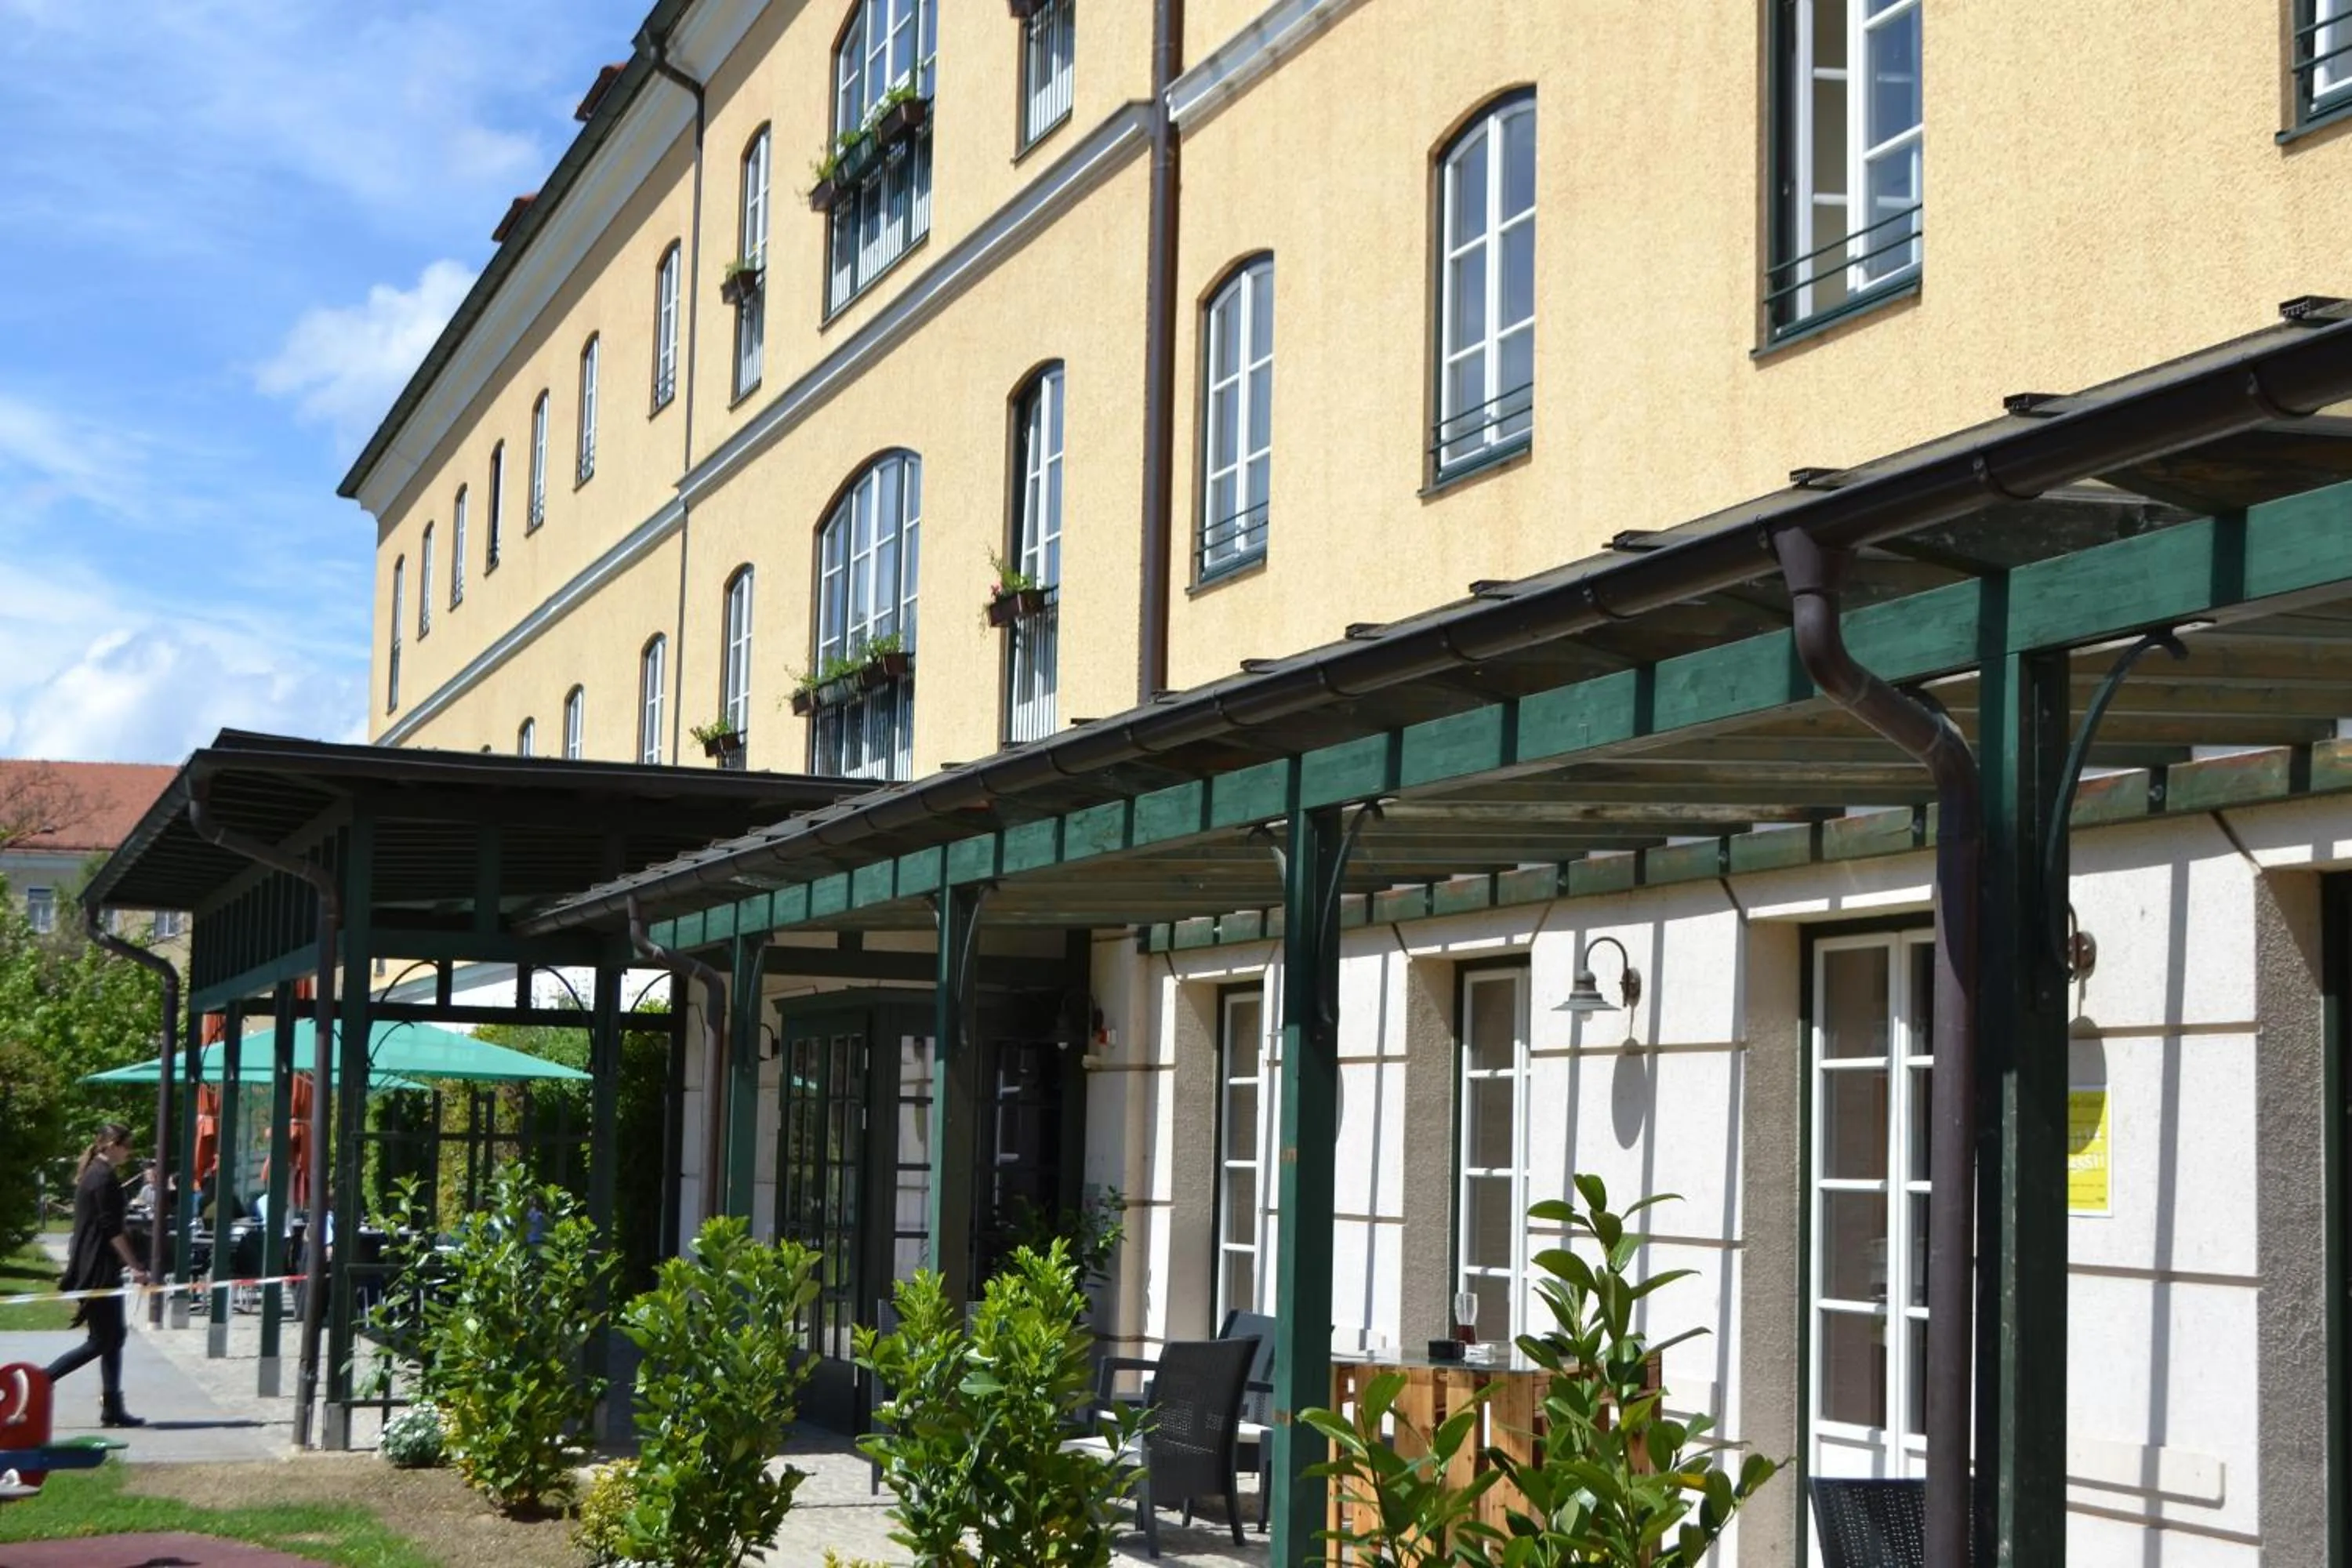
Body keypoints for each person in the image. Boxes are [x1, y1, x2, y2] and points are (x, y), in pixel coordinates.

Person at [45, 1122, 149, 1428]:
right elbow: (111, 1229)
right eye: (126, 1146)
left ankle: (113, 1407)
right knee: (102, 1339)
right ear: (110, 1145)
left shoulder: (100, 1174)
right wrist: (135, 1265)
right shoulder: (101, 1178)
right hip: (97, 1268)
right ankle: (42, 1377)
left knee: (114, 1337)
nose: (129, 1152)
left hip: (100, 1265)